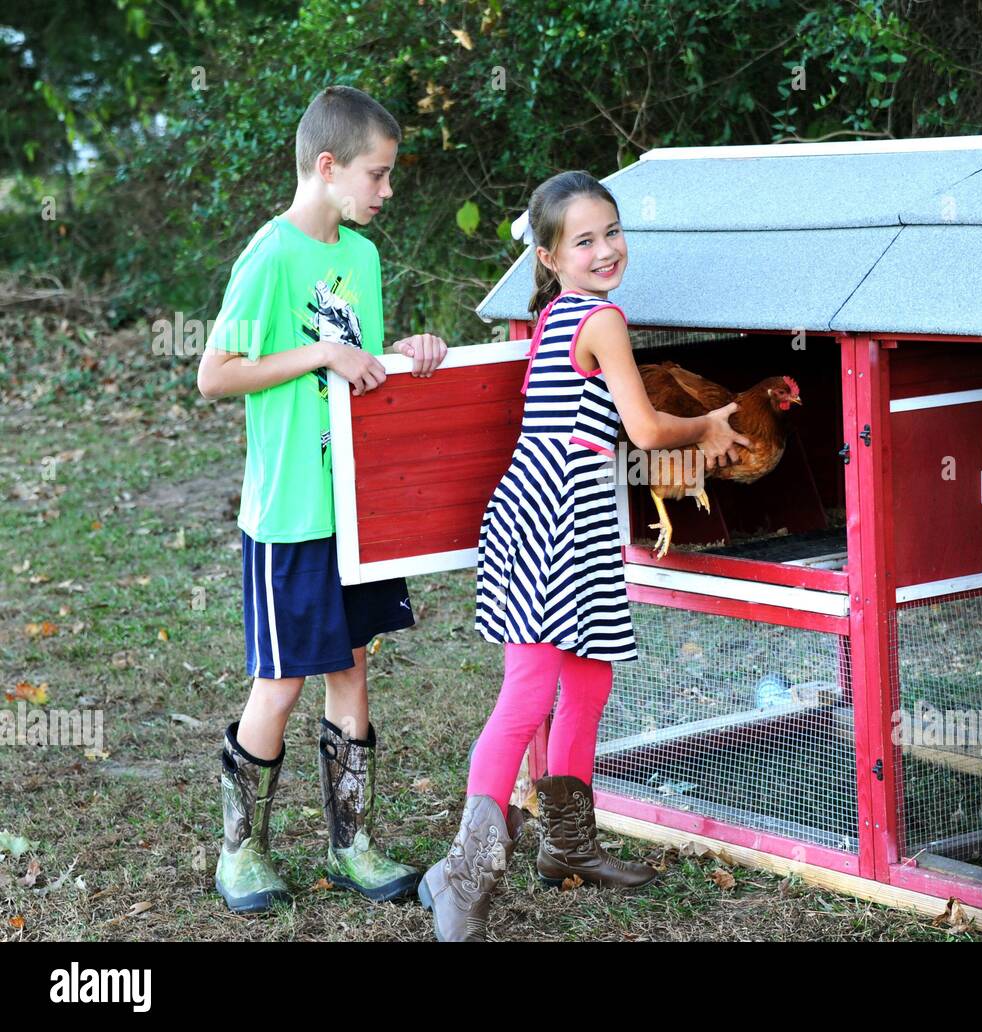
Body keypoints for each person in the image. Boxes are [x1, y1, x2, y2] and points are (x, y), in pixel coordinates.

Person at [418, 170, 750, 941]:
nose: (606, 250)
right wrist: (705, 427)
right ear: (549, 257)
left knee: (589, 682)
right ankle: (465, 876)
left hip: (579, 520)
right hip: (550, 520)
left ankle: (567, 847)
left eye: (613, 232)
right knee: (529, 693)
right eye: (585, 240)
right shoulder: (601, 319)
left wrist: (700, 423)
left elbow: (623, 413)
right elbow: (645, 431)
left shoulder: (564, 320)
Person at [196, 85, 448, 913]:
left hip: (358, 511)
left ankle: (353, 846)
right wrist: (318, 356)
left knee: (353, 670)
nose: (385, 191)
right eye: (376, 176)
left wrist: (400, 353)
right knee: (283, 682)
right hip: (290, 515)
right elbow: (216, 374)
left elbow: (359, 365)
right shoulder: (268, 257)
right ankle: (241, 854)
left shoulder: (365, 259)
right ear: (329, 166)